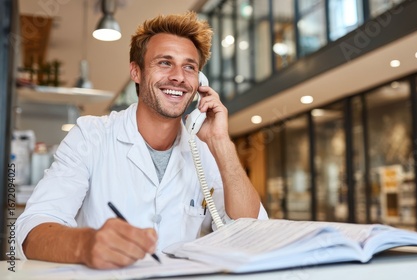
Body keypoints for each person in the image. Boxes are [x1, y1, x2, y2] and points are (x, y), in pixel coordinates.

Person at [15, 11, 268, 269]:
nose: (179, 77)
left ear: (200, 82)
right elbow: (31, 228)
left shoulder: (205, 150)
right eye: (165, 63)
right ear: (136, 72)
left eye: (189, 67)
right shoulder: (91, 135)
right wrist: (86, 245)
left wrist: (221, 144)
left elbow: (252, 232)